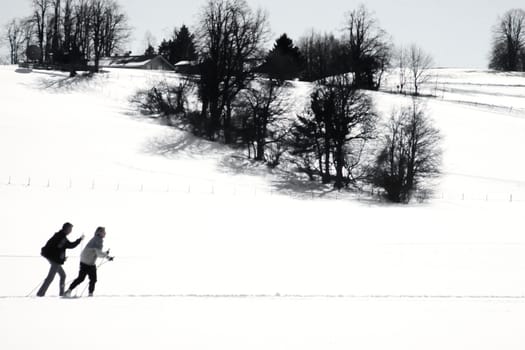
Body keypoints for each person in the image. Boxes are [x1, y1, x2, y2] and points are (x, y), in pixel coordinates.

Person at [37, 222, 84, 297]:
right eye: (70, 229)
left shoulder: (60, 235)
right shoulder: (62, 237)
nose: (71, 231)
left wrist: (62, 257)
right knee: (50, 277)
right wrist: (79, 240)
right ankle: (40, 294)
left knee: (63, 275)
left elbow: (58, 248)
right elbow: (70, 245)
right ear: (67, 229)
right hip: (54, 260)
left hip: (53, 258)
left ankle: (61, 293)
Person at [65, 227, 113, 297]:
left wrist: (105, 253)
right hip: (89, 263)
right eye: (103, 232)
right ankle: (90, 294)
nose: (105, 233)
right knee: (93, 279)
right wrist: (108, 257)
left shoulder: (95, 238)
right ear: (99, 233)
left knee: (81, 278)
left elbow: (96, 251)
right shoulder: (98, 240)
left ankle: (68, 291)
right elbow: (98, 253)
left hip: (84, 261)